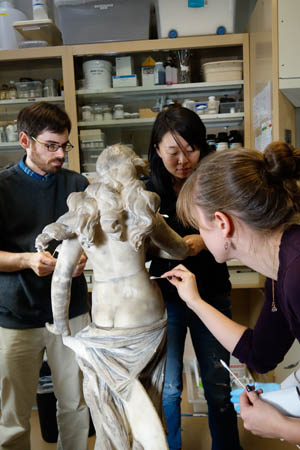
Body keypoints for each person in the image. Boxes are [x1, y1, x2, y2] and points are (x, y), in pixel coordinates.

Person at [34, 144, 190, 450]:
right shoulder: (142, 208)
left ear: (99, 175)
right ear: (133, 171)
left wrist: (63, 328)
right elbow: (179, 250)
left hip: (106, 320)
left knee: (105, 400)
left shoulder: (83, 215)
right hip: (146, 315)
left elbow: (62, 278)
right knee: (148, 396)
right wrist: (147, 246)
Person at [163, 141, 300, 445]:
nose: (199, 235)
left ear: (223, 224)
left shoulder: (296, 274)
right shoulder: (279, 272)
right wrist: (195, 302)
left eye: (201, 227)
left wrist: (281, 427)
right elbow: (260, 354)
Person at [146, 105, 242, 450]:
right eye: (173, 152)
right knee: (168, 387)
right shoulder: (146, 192)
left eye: (190, 150)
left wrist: (207, 239)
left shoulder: (216, 183)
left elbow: (238, 229)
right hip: (164, 299)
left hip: (211, 295)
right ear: (157, 149)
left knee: (217, 382)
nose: (183, 160)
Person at [0, 102, 91, 450]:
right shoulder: (3, 187)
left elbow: (94, 240)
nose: (60, 155)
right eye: (51, 146)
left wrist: (83, 257)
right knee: (13, 413)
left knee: (76, 403)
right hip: (16, 317)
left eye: (64, 146)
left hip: (72, 312)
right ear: (25, 140)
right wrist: (26, 260)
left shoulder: (77, 184)